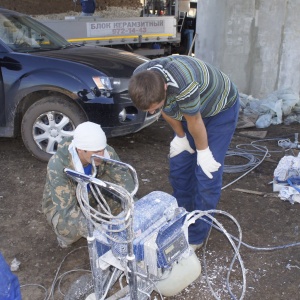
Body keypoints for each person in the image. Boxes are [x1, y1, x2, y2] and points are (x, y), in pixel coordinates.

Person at [128, 55, 240, 250]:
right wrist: (180, 137)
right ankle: (182, 219)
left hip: (219, 110)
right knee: (179, 166)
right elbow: (165, 110)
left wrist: (203, 153)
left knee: (206, 173)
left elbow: (195, 121)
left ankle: (195, 236)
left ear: (164, 88)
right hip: (189, 112)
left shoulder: (183, 83)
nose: (154, 112)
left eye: (157, 107)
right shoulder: (141, 78)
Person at [42, 121, 135, 248]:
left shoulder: (104, 151)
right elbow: (67, 209)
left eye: (102, 150)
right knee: (71, 231)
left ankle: (97, 217)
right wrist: (101, 232)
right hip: (62, 206)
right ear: (80, 150)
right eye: (96, 152)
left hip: (91, 195)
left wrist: (136, 208)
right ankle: (66, 234)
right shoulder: (57, 166)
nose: (101, 156)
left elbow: (125, 183)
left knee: (124, 204)